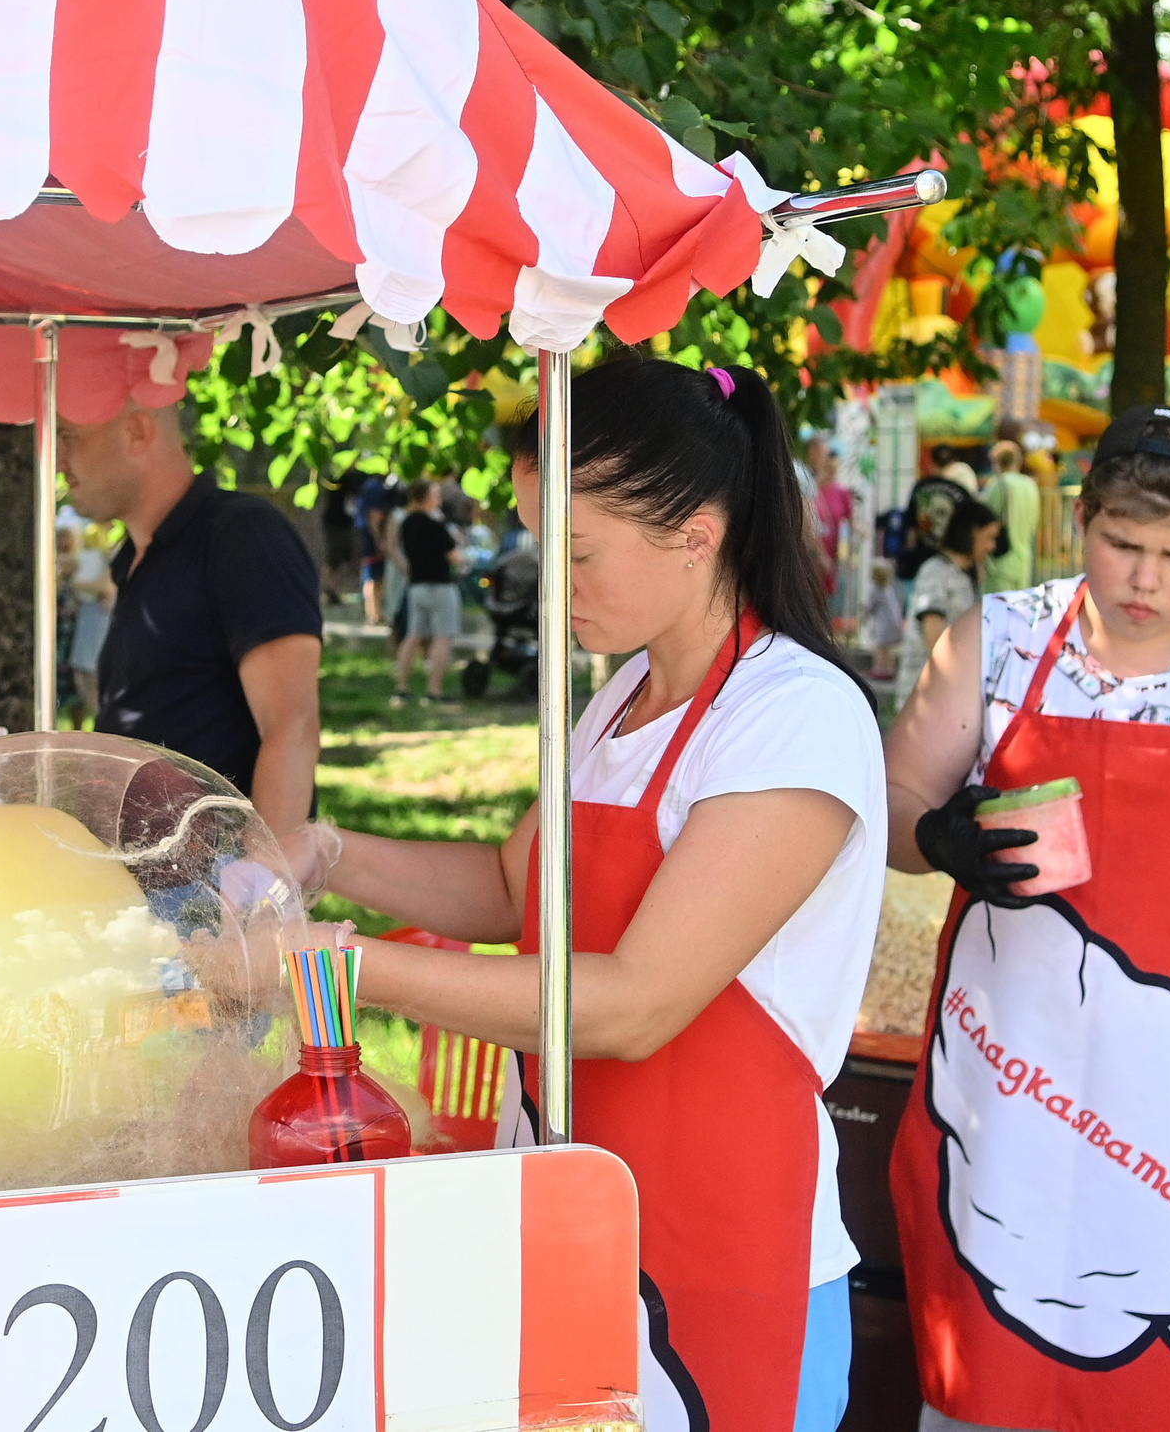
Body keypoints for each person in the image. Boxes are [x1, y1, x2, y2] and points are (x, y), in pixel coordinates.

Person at [306, 355, 887, 1432]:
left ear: (696, 535)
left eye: (575, 552)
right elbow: (508, 886)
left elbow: (631, 1004)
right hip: (580, 1223)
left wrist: (341, 973)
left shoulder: (796, 718)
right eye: (541, 547)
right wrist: (318, 852)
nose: (551, 583)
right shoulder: (620, 693)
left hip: (730, 1252)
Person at [880, 405, 1170, 1432]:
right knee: (982, 1398)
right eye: (1121, 544)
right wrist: (941, 838)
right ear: (1079, 520)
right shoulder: (993, 647)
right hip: (997, 1118)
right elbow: (891, 806)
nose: (1145, 580)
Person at [57, 397, 323, 840]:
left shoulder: (242, 535)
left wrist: (261, 885)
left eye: (69, 437)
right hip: (137, 878)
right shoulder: (135, 556)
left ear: (137, 432)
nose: (60, 460)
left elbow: (292, 726)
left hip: (215, 887)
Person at [893, 496, 996, 704]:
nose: (992, 546)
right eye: (989, 537)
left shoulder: (964, 575)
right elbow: (934, 636)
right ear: (972, 532)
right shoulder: (935, 572)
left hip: (948, 694)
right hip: (926, 697)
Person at [390, 479, 462, 706]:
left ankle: (401, 687)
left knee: (413, 636)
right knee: (443, 636)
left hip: (416, 586)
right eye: (435, 494)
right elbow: (455, 557)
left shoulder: (407, 523)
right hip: (440, 585)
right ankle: (434, 690)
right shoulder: (435, 525)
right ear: (427, 497)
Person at [65, 522, 117, 724]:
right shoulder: (94, 556)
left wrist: (73, 582)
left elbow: (106, 588)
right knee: (82, 676)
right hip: (89, 620)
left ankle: (104, 726)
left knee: (92, 677)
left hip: (98, 622)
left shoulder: (109, 556)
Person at [982, 437, 1041, 594]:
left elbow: (987, 519)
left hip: (999, 562)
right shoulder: (1030, 485)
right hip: (1023, 562)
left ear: (996, 462)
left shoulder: (998, 484)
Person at [352, 471, 395, 628]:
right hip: (371, 537)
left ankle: (376, 612)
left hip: (367, 534)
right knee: (373, 576)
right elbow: (374, 515)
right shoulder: (375, 488)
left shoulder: (369, 486)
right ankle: (373, 613)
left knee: (377, 576)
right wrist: (379, 539)